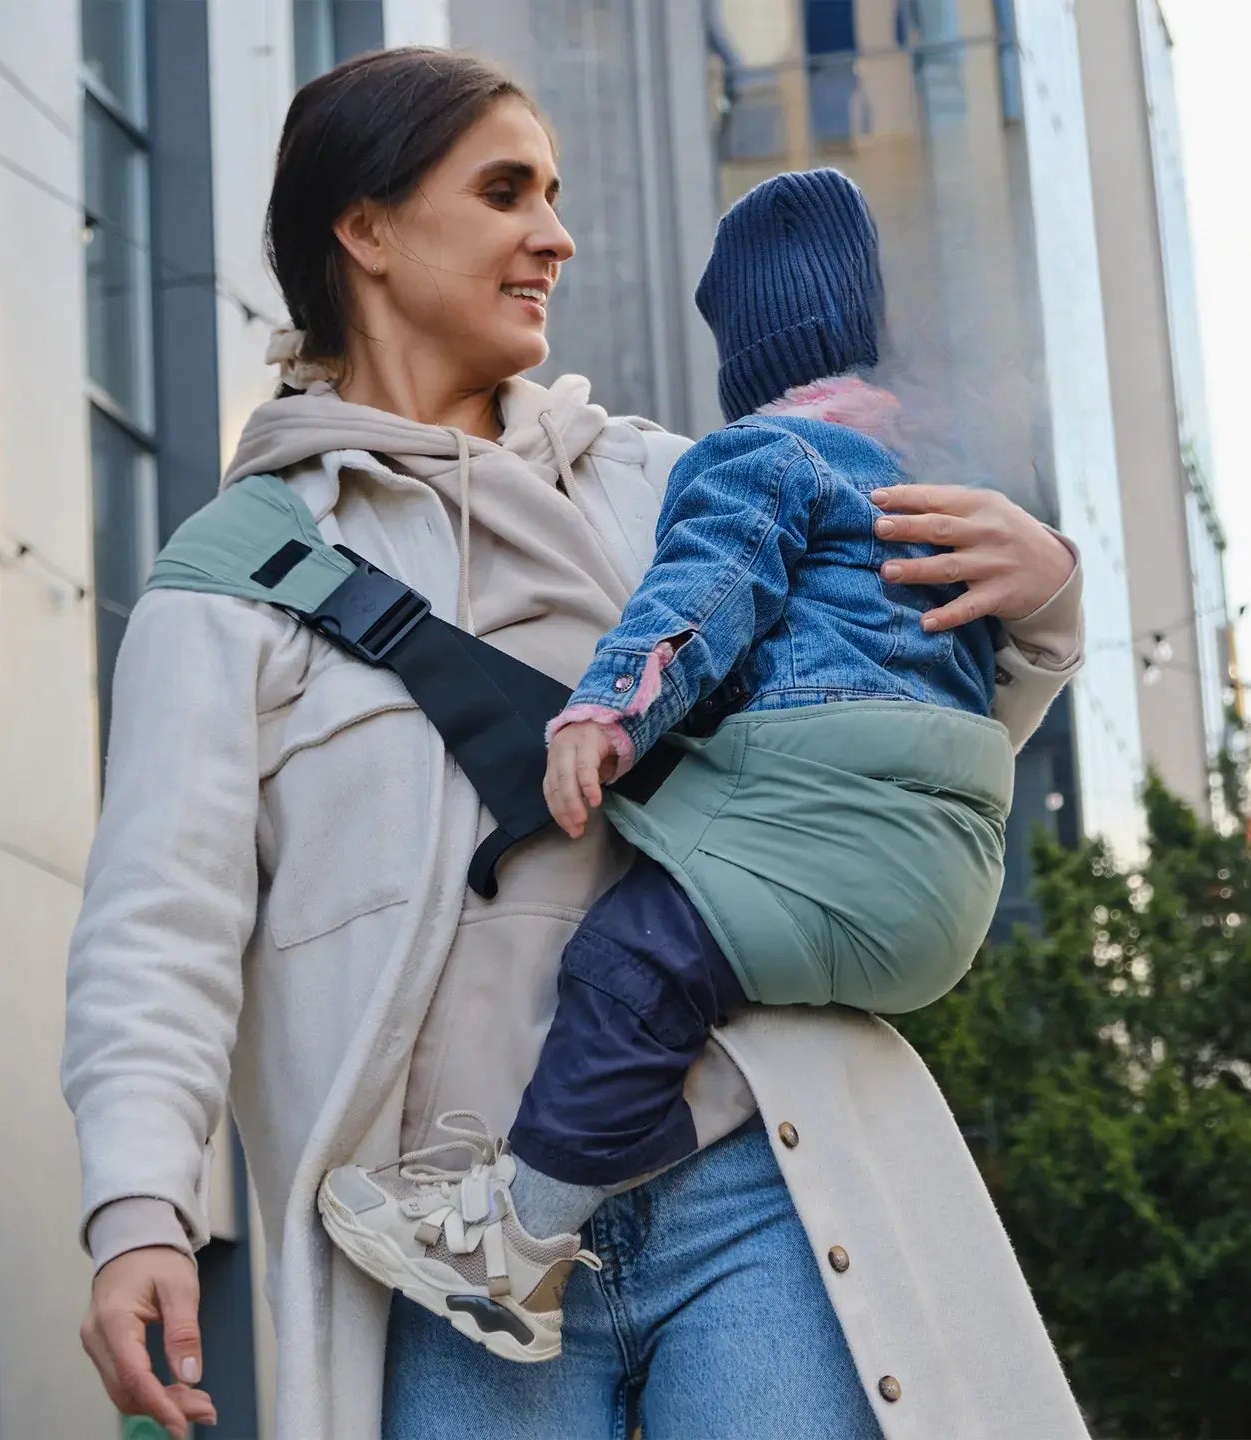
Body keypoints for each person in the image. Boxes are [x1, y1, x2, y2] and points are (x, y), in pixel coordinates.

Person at [63, 46, 1091, 1440]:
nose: (555, 234)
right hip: (450, 1253)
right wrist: (139, 1209)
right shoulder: (227, 582)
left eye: (553, 192)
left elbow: (872, 760)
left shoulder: (681, 486)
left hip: (752, 1187)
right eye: (504, 193)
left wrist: (1036, 610)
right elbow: (157, 931)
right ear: (362, 229)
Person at [316, 168, 1017, 1362]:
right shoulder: (934, 483)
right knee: (701, 957)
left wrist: (609, 712)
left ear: (743, 352)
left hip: (820, 813)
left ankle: (519, 1237)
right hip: (948, 888)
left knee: (634, 966)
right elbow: (973, 668)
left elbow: (703, 597)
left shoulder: (762, 455)